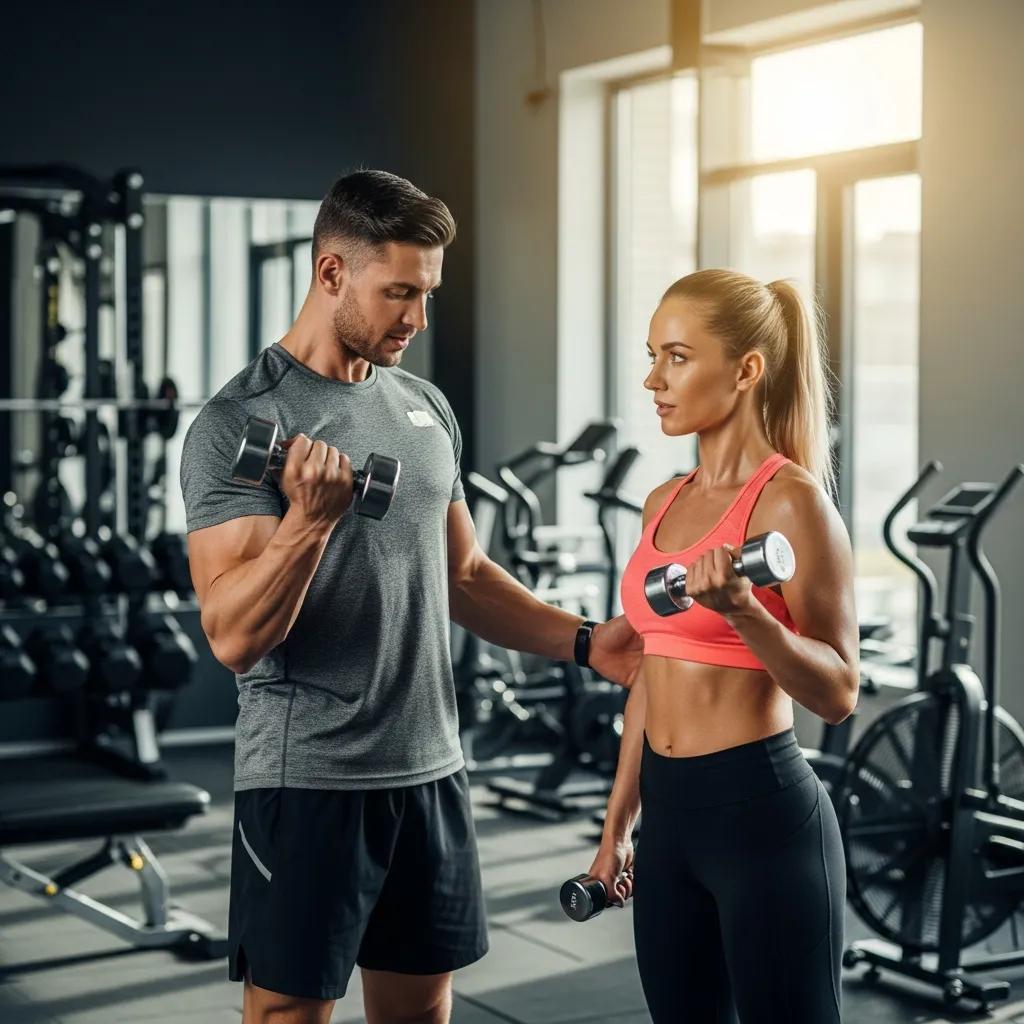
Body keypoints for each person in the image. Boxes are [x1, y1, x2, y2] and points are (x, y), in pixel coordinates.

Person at [180, 169, 641, 1024]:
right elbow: (234, 637)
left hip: (431, 765)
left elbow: (464, 575)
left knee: (424, 1009)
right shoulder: (237, 424)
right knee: (288, 1013)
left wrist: (585, 640)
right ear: (331, 274)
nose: (417, 319)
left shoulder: (423, 405)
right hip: (309, 776)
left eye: (427, 293)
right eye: (399, 292)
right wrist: (308, 523)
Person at [588, 269, 858, 1024]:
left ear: (745, 371)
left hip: (762, 820)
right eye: (652, 355)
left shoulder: (792, 501)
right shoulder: (661, 500)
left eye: (676, 357)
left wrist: (747, 613)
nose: (652, 379)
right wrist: (617, 829)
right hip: (671, 824)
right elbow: (650, 670)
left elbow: (839, 692)